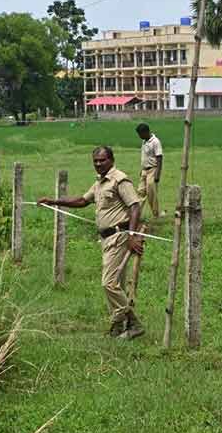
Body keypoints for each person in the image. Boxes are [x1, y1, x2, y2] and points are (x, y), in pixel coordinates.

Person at [38, 146, 145, 340]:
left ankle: (133, 323)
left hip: (119, 236)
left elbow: (135, 205)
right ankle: (119, 325)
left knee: (109, 283)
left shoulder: (119, 179)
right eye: (95, 161)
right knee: (116, 284)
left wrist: (131, 235)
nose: (98, 164)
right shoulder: (99, 183)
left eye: (102, 160)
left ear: (111, 160)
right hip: (106, 239)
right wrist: (53, 201)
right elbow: (82, 201)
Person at [136, 123, 164, 219]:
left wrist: (157, 174)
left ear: (146, 132)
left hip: (153, 169)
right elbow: (144, 157)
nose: (139, 136)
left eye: (140, 134)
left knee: (151, 192)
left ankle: (156, 214)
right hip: (144, 170)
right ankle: (136, 214)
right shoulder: (144, 141)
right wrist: (142, 169)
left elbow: (159, 158)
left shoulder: (155, 142)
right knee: (140, 192)